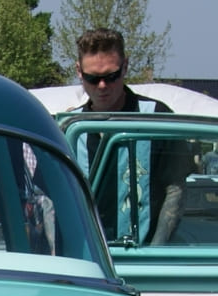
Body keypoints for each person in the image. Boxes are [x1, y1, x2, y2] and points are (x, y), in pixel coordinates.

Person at [69, 27, 184, 245]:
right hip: (87, 257)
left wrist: (154, 254)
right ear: (79, 71)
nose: (102, 86)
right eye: (92, 78)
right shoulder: (70, 128)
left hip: (141, 258)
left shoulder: (157, 118)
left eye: (111, 76)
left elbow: (175, 189)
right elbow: (50, 199)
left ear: (125, 67)